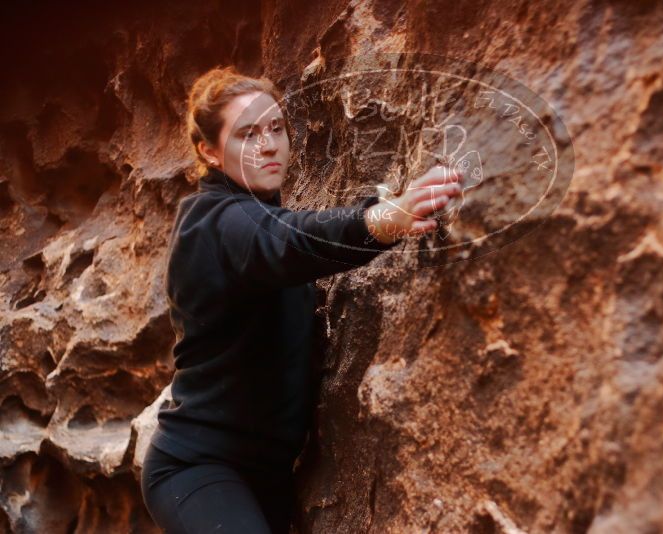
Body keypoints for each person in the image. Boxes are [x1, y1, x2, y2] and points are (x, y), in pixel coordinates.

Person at [139, 66, 464, 534]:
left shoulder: (259, 215)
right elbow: (290, 241)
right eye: (247, 134)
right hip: (197, 468)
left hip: (268, 476)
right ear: (209, 151)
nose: (268, 145)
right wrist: (384, 219)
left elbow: (291, 235)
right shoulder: (211, 223)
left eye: (276, 128)